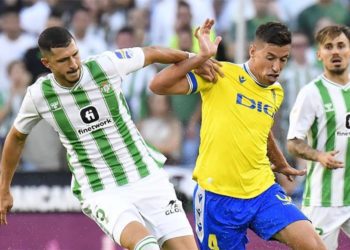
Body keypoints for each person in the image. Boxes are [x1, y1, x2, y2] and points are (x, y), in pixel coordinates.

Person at [0, 26, 219, 250]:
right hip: (101, 188)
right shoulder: (39, 95)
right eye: (64, 60)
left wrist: (195, 58)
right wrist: (4, 188)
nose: (74, 64)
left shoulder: (105, 65)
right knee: (147, 246)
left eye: (75, 54)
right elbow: (16, 137)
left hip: (146, 175)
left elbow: (151, 52)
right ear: (47, 63)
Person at [150, 19, 326, 249]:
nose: (276, 67)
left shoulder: (276, 92)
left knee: (313, 244)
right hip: (217, 197)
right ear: (253, 51)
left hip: (262, 190)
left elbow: (261, 129)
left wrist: (279, 161)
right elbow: (158, 85)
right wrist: (199, 58)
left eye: (283, 59)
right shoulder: (219, 73)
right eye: (270, 57)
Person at [287, 25, 350, 250]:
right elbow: (293, 142)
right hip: (323, 201)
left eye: (341, 46)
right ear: (319, 54)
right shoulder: (311, 93)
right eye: (329, 47)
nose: (335, 52)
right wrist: (319, 155)